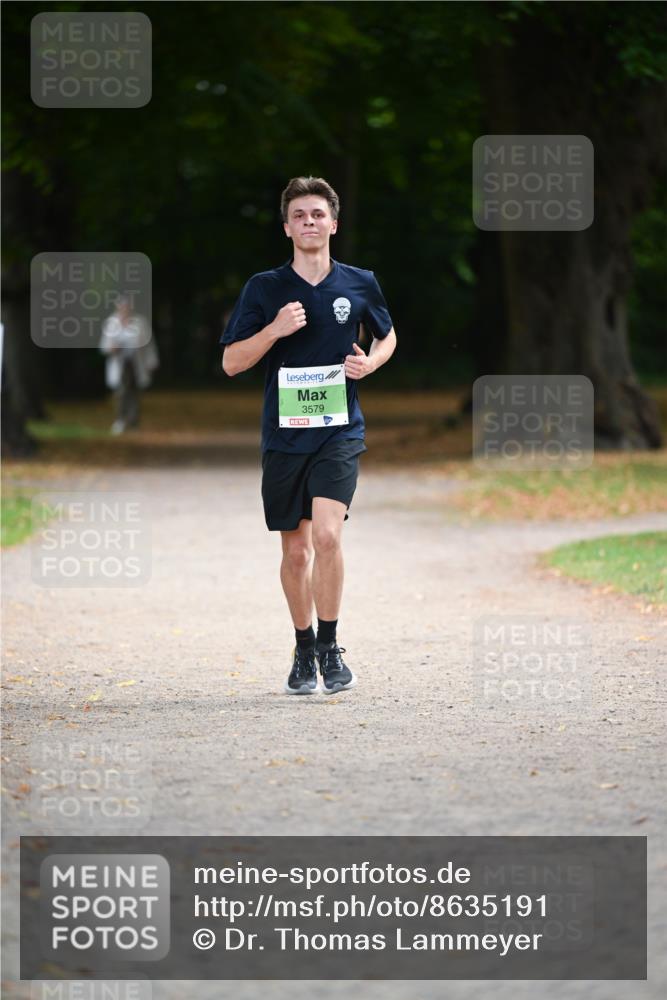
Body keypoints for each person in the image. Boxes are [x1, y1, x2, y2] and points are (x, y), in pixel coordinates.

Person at [221, 176, 397, 695]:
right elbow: (231, 362)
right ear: (286, 228)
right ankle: (303, 648)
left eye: (318, 214)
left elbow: (387, 336)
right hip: (284, 435)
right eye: (299, 215)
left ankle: (330, 646)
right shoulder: (264, 288)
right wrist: (274, 329)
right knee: (296, 552)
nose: (309, 222)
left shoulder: (360, 282)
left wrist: (371, 364)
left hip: (339, 431)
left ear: (333, 223)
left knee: (327, 536)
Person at [100, 296, 158, 434]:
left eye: (127, 306)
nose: (125, 308)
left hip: (136, 362)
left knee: (134, 392)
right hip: (119, 363)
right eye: (122, 306)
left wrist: (152, 361)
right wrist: (112, 348)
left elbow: (149, 344)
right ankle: (120, 419)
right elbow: (104, 346)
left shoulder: (140, 322)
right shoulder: (111, 323)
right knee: (121, 392)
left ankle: (133, 422)